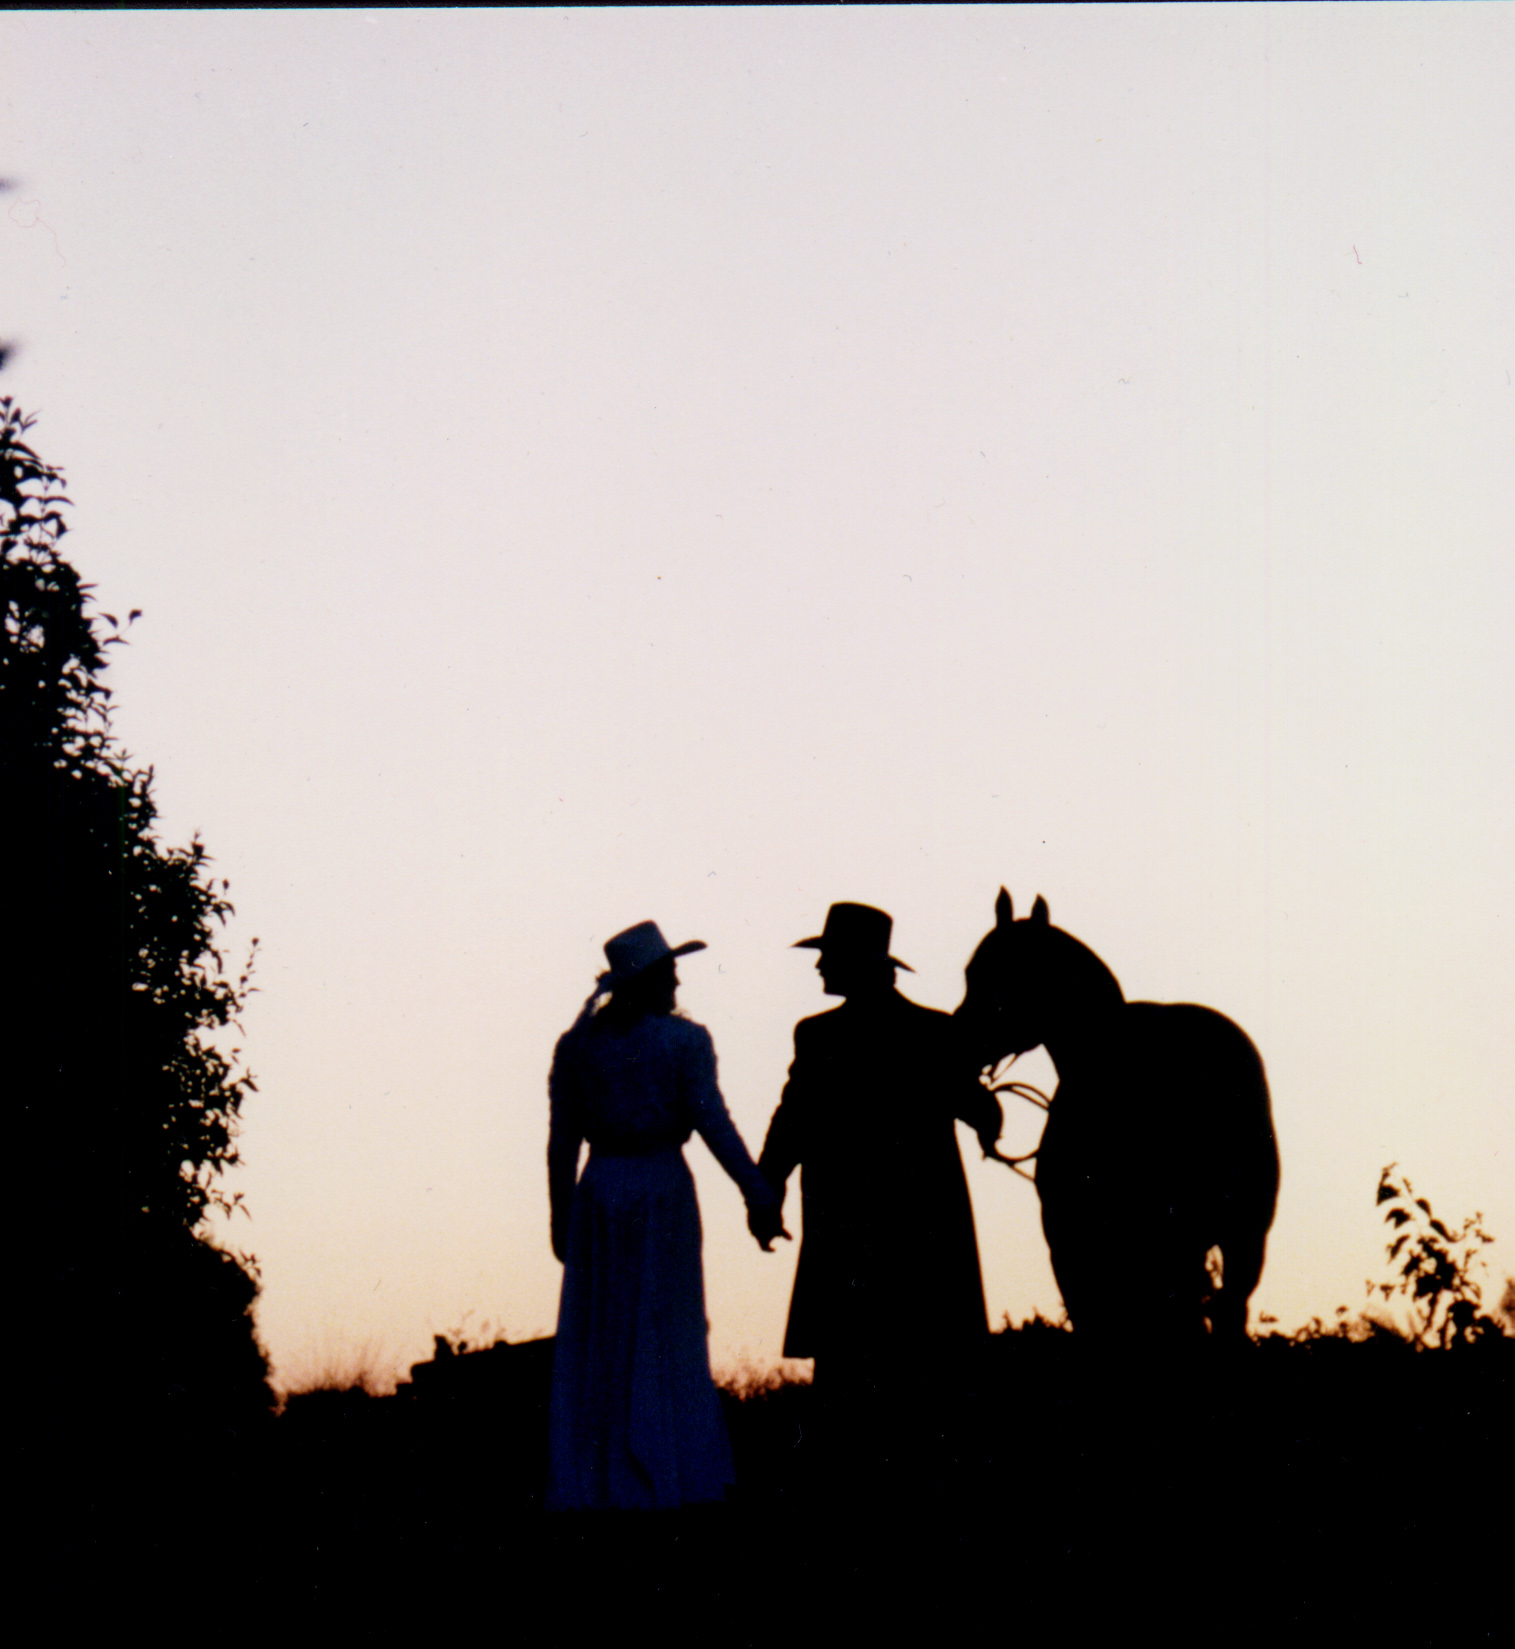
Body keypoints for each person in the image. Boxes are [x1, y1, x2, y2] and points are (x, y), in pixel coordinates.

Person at [546, 920, 785, 1512]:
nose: (678, 977)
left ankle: (612, 1478)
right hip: (655, 1187)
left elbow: (561, 1144)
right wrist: (756, 1191)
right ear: (649, 979)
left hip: (602, 1191)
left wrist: (562, 1215)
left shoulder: (577, 1047)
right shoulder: (682, 1043)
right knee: (664, 1326)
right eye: (670, 968)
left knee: (610, 1334)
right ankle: (669, 1473)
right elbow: (714, 1124)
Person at [758, 903, 1002, 1421]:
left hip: (845, 1227)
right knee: (930, 1374)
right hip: (926, 1230)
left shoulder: (818, 1034)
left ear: (855, 963)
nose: (819, 967)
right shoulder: (935, 1031)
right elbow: (979, 1109)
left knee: (847, 1379)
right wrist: (986, 1111)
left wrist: (766, 1191)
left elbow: (792, 1122)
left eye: (827, 957)